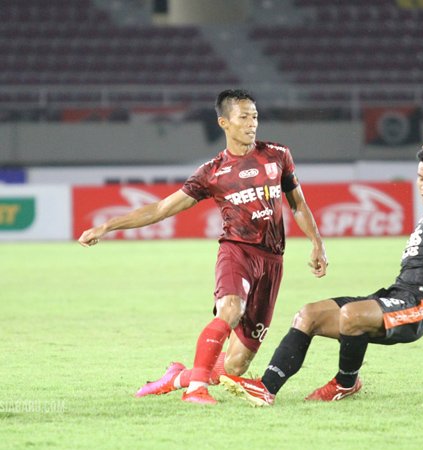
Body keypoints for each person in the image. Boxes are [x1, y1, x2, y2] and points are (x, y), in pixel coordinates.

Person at [78, 89, 328, 405]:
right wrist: (106, 226)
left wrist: (317, 244)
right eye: (244, 117)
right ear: (224, 122)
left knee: (237, 364)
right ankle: (196, 390)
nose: (252, 123)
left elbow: (298, 204)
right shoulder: (213, 172)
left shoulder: (278, 155)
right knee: (231, 310)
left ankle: (177, 377)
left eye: (255, 116)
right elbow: (159, 209)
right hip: (237, 252)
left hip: (273, 261)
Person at [220, 140, 423, 406]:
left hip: (417, 305)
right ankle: (266, 388)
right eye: (420, 179)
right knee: (308, 314)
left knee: (352, 315)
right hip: (395, 296)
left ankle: (345, 383)